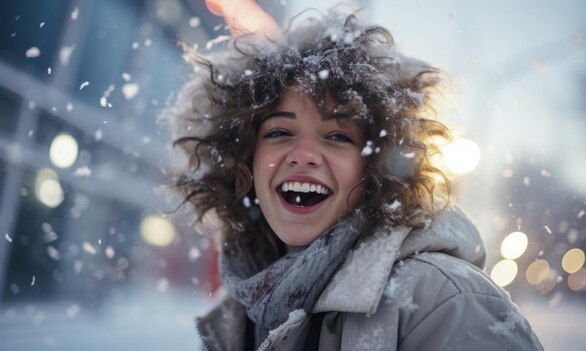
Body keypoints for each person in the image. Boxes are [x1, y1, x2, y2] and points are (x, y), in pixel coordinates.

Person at [163, 4, 544, 350]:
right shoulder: (238, 314)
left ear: (377, 166)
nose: (304, 155)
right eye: (279, 132)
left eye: (338, 136)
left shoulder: (443, 302)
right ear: (245, 158)